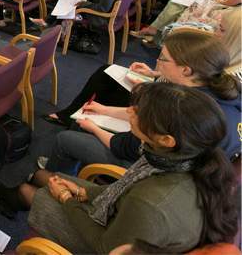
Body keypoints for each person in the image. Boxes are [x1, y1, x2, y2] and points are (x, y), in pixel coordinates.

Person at [0, 82, 239, 254]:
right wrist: (83, 194)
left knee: (42, 191)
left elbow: (105, 246)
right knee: (47, 176)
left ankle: (10, 199)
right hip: (123, 214)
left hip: (107, 242)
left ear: (166, 139)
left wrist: (69, 200)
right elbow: (124, 190)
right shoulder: (177, 157)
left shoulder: (153, 200)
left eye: (140, 112)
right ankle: (12, 198)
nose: (131, 111)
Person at [41, 31, 241, 171]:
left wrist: (93, 127)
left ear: (186, 70)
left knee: (65, 138)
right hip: (191, 167)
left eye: (163, 59)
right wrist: (103, 110)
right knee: (85, 120)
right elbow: (141, 114)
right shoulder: (223, 89)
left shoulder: (177, 106)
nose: (157, 62)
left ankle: (53, 177)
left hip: (155, 170)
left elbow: (125, 147)